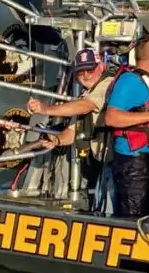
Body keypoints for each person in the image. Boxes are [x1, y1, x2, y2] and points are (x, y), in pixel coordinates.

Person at [27, 48, 116, 213]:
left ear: (101, 66)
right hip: (102, 165)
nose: (86, 76)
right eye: (81, 73)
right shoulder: (86, 93)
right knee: (102, 209)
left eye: (90, 69)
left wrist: (45, 109)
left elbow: (84, 107)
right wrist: (56, 140)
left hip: (117, 164)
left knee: (114, 214)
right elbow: (73, 131)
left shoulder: (108, 83)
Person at [102, 35, 149, 218]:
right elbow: (111, 117)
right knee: (134, 215)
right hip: (132, 161)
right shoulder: (130, 81)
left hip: (148, 157)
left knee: (148, 212)